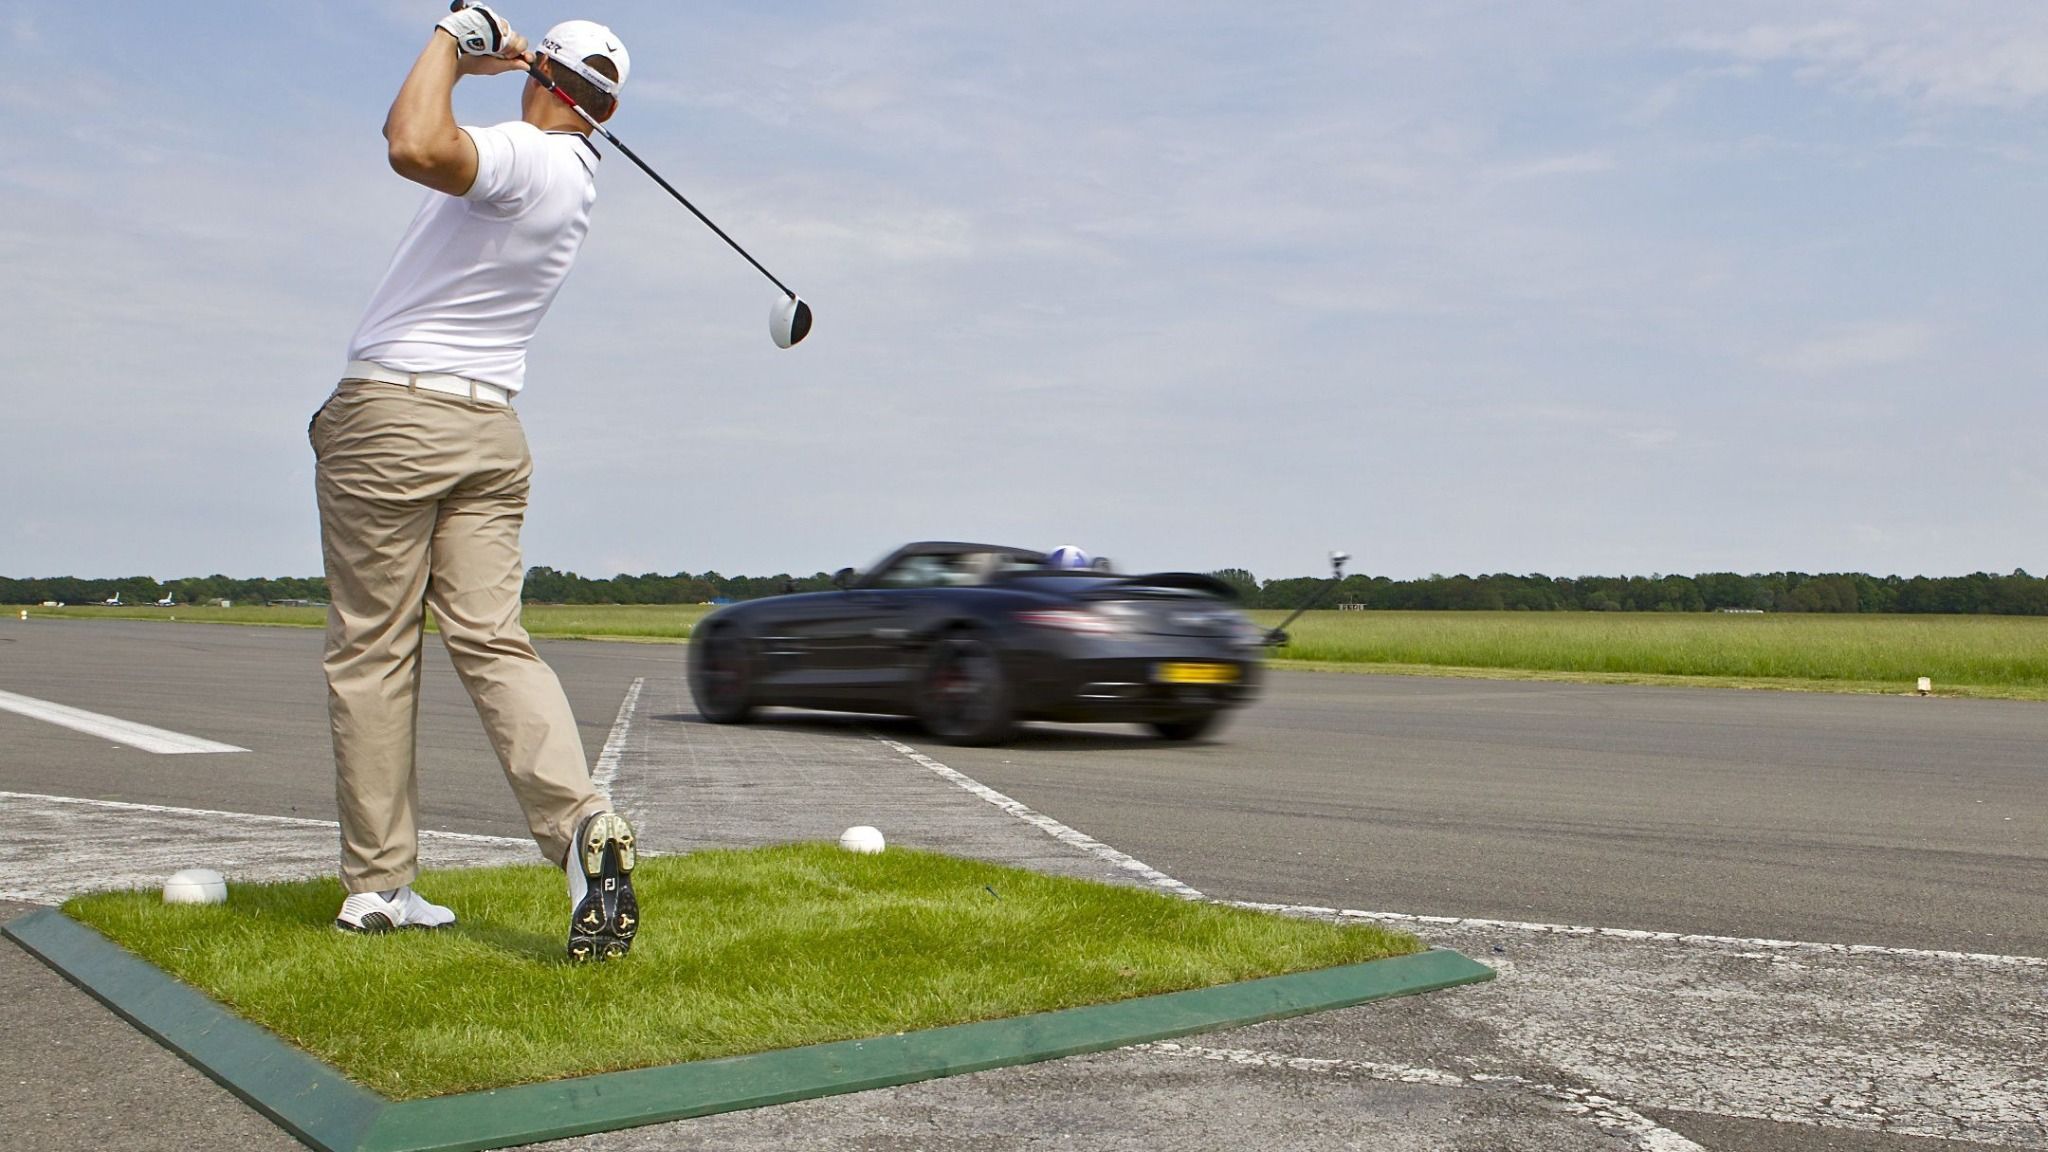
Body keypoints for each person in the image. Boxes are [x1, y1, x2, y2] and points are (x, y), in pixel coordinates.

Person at [309, 5, 639, 962]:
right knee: (493, 641)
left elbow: (411, 141)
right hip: (492, 432)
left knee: (373, 648)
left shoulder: (527, 160)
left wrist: (459, 38)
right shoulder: (576, 176)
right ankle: (582, 827)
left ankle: (377, 888)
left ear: (551, 84)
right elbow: (427, 132)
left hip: (396, 419)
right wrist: (499, 66)